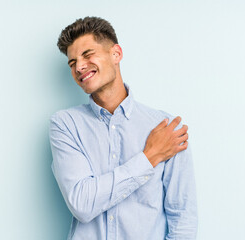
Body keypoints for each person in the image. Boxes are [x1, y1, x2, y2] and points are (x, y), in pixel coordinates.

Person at [49, 16, 197, 240]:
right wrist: (149, 157)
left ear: (116, 54)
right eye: (72, 63)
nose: (79, 67)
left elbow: (182, 216)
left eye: (87, 55)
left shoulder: (165, 127)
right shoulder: (65, 125)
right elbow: (82, 204)